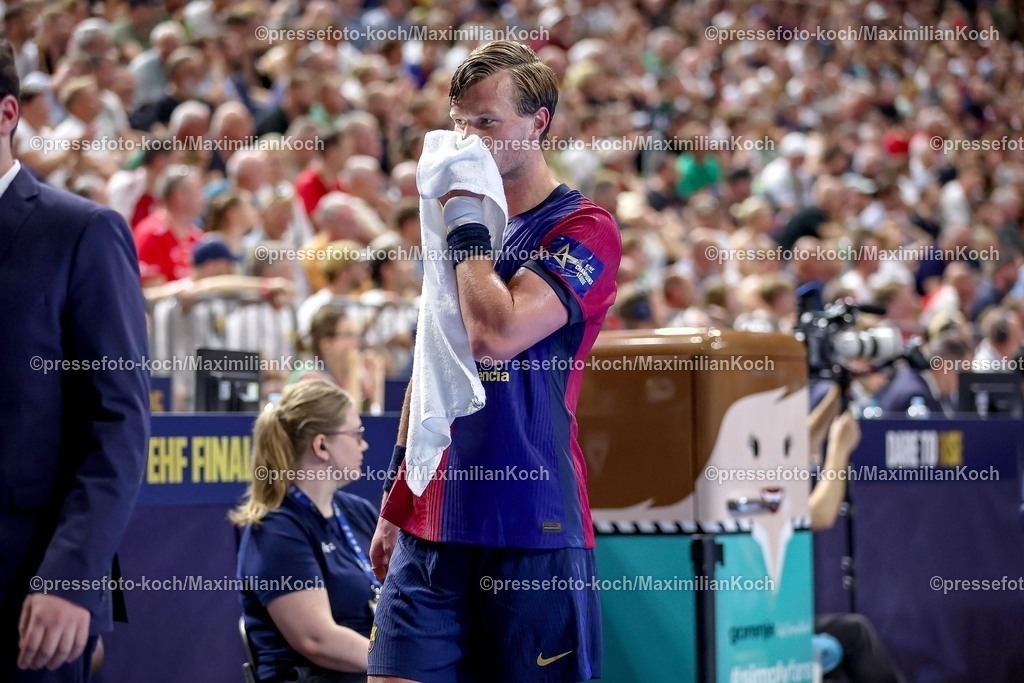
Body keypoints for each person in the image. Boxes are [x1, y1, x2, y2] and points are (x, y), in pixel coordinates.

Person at [367, 41, 621, 683]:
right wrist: (395, 501)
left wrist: (465, 226)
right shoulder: (457, 228)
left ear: (538, 123)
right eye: (459, 122)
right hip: (432, 518)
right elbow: (435, 368)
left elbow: (495, 334)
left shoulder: (585, 229)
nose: (467, 140)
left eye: (487, 122)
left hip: (530, 523)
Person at [0, 39, 151, 680]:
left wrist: (70, 577)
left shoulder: (81, 231)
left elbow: (117, 421)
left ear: (9, 114)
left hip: (28, 595)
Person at [233, 381, 375, 683]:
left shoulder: (357, 511)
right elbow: (318, 641)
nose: (364, 445)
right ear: (321, 445)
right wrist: (398, 666)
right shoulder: (275, 530)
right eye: (356, 434)